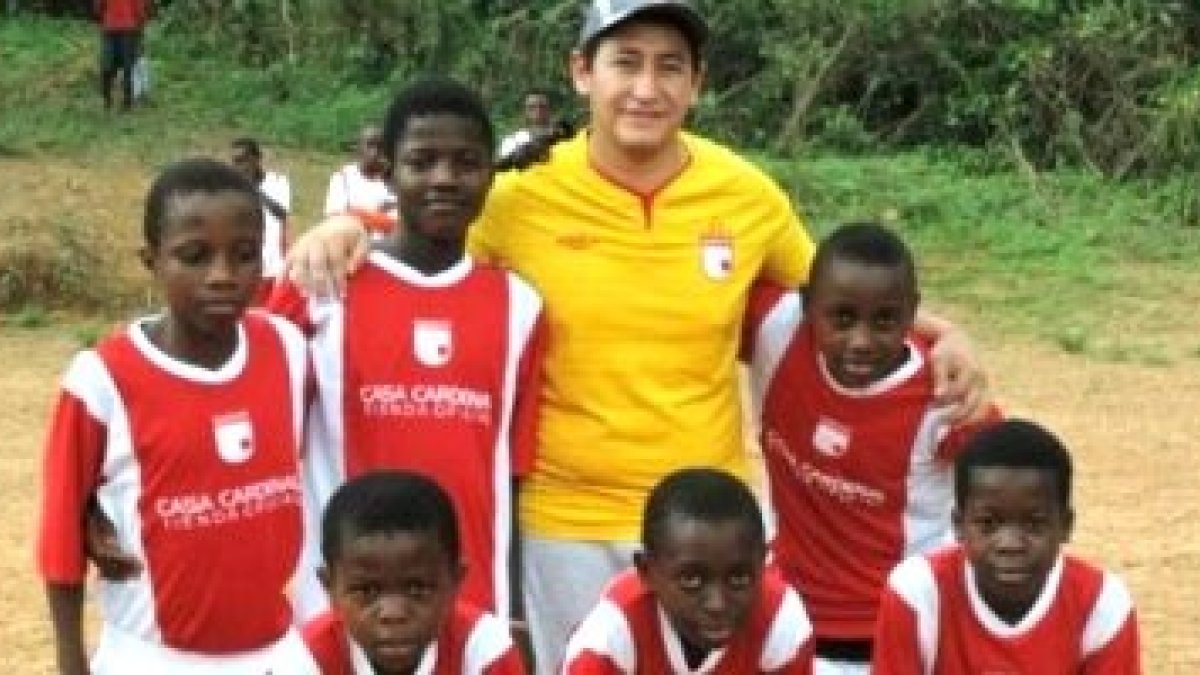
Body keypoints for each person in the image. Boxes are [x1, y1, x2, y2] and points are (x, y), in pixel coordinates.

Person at [283, 1, 986, 669]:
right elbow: (433, 231)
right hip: (565, 529)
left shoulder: (745, 195)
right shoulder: (520, 195)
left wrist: (944, 332)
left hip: (704, 527)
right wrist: (355, 227)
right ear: (582, 72)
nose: (646, 88)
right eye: (626, 62)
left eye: (669, 66)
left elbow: (835, 294)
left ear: (697, 83)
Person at [271, 78, 546, 622]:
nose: (444, 179)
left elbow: (513, 475)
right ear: (388, 173)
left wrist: (511, 609)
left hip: (467, 605)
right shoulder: (320, 285)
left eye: (466, 163)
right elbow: (247, 414)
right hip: (340, 605)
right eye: (421, 162)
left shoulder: (521, 307)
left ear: (491, 175)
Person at [36, 158, 314, 674]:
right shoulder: (100, 379)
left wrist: (354, 224)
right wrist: (71, 663)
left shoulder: (288, 348)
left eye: (245, 255)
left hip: (278, 654)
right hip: (154, 657)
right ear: (152, 261)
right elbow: (59, 541)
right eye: (194, 257)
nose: (223, 277)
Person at [742, 223, 1000, 673]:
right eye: (842, 318)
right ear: (806, 306)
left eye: (885, 320)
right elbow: (690, 296)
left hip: (894, 632)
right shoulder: (776, 330)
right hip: (781, 618)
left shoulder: (942, 395)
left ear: (911, 314)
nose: (861, 341)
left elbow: (1013, 480)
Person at [871, 419, 1142, 673]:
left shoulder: (1101, 605)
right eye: (988, 523)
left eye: (1034, 524)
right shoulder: (919, 592)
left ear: (1066, 525)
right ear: (958, 524)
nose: (1010, 545)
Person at [561, 467, 814, 673]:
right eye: (692, 580)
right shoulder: (606, 641)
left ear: (763, 563)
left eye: (738, 578)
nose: (717, 604)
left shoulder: (782, 623)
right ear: (646, 572)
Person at [303, 470, 525, 674]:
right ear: (329, 587)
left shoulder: (483, 649)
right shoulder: (302, 661)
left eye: (416, 588)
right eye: (367, 591)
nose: (393, 614)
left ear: (455, 581)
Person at [231, 137, 292, 300]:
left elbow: (281, 212)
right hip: (247, 268)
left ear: (257, 159)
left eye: (242, 161)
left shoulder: (278, 181)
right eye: (235, 162)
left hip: (275, 267)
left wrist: (253, 189)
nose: (238, 167)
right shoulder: (233, 189)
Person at [324, 124, 399, 238]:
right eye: (370, 145)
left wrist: (357, 214)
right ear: (358, 148)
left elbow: (399, 227)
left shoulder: (393, 182)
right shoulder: (343, 178)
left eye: (380, 147)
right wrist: (379, 215)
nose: (375, 153)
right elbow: (335, 220)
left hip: (384, 252)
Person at [96, 0, 147, 111]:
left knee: (110, 65)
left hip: (118, 27)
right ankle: (119, 101)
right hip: (121, 28)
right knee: (124, 65)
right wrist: (140, 23)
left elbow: (98, 6)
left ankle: (112, 100)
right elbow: (140, 7)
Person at [497, 90, 556, 162]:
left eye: (542, 106)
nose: (538, 111)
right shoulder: (512, 142)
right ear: (524, 111)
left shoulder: (565, 139)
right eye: (532, 107)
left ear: (550, 110)